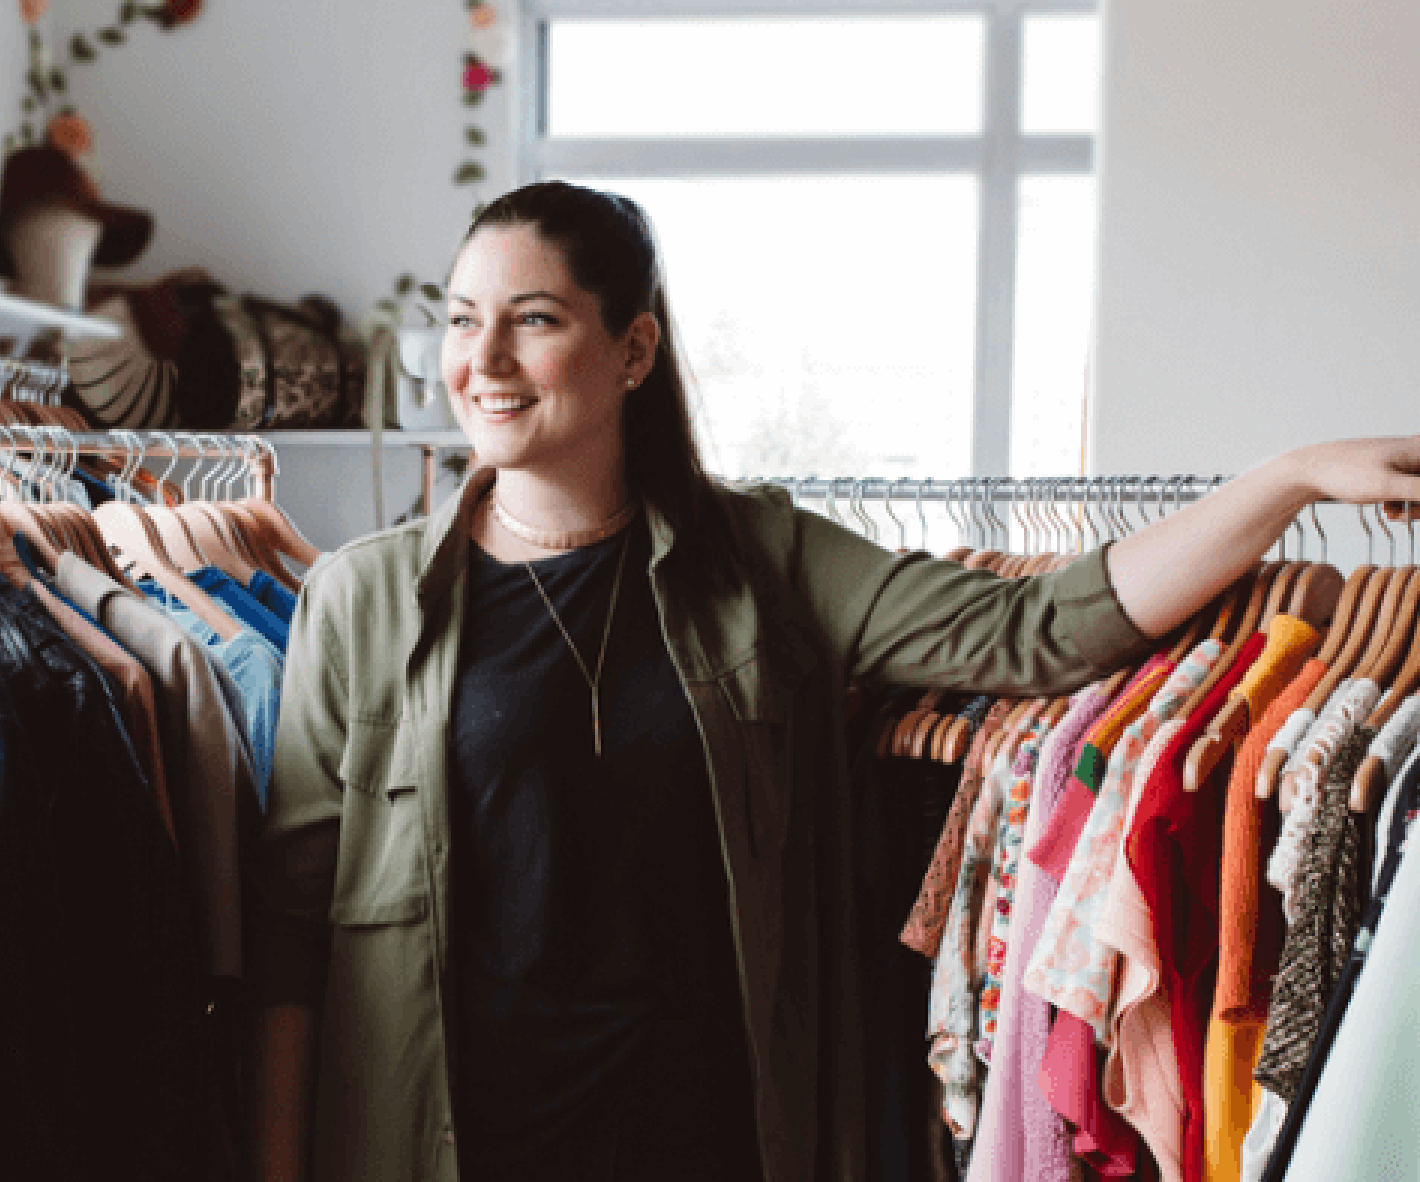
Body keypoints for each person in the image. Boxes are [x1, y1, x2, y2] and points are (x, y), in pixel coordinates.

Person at [248, 180, 1420, 1182]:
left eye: (532, 319)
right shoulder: (362, 600)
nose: (482, 361)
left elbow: (1035, 632)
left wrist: (1286, 479)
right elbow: (292, 944)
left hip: (704, 1143)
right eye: (461, 321)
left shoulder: (762, 562)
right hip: (443, 1143)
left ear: (635, 350)